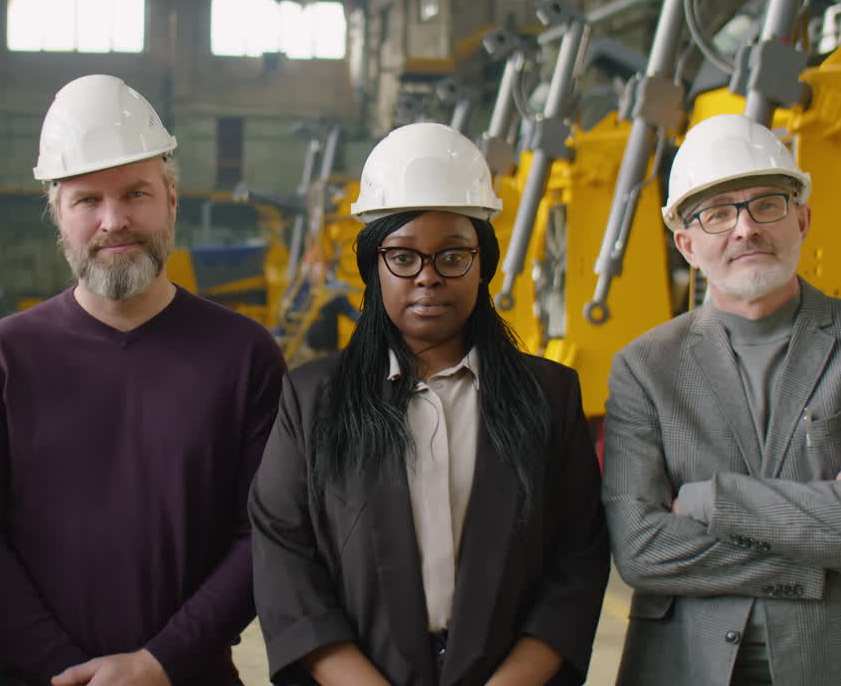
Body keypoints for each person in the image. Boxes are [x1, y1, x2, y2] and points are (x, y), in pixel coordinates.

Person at [0, 74, 286, 686]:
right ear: (58, 215)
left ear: (171, 201)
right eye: (87, 200)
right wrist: (61, 669)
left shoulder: (244, 356)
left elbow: (265, 533)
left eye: (135, 194)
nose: (113, 220)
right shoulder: (2, 359)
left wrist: (161, 662)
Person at [249, 122, 609, 686]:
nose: (428, 278)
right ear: (373, 267)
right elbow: (285, 559)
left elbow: (577, 561)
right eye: (403, 257)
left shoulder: (548, 397)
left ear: (482, 264)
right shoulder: (313, 400)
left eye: (452, 257)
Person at [603, 113, 841, 685]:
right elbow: (641, 548)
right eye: (717, 213)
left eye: (766, 205)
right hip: (688, 660)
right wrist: (832, 519)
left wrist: (714, 502)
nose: (745, 229)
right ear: (686, 243)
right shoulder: (644, 367)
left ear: (801, 218)